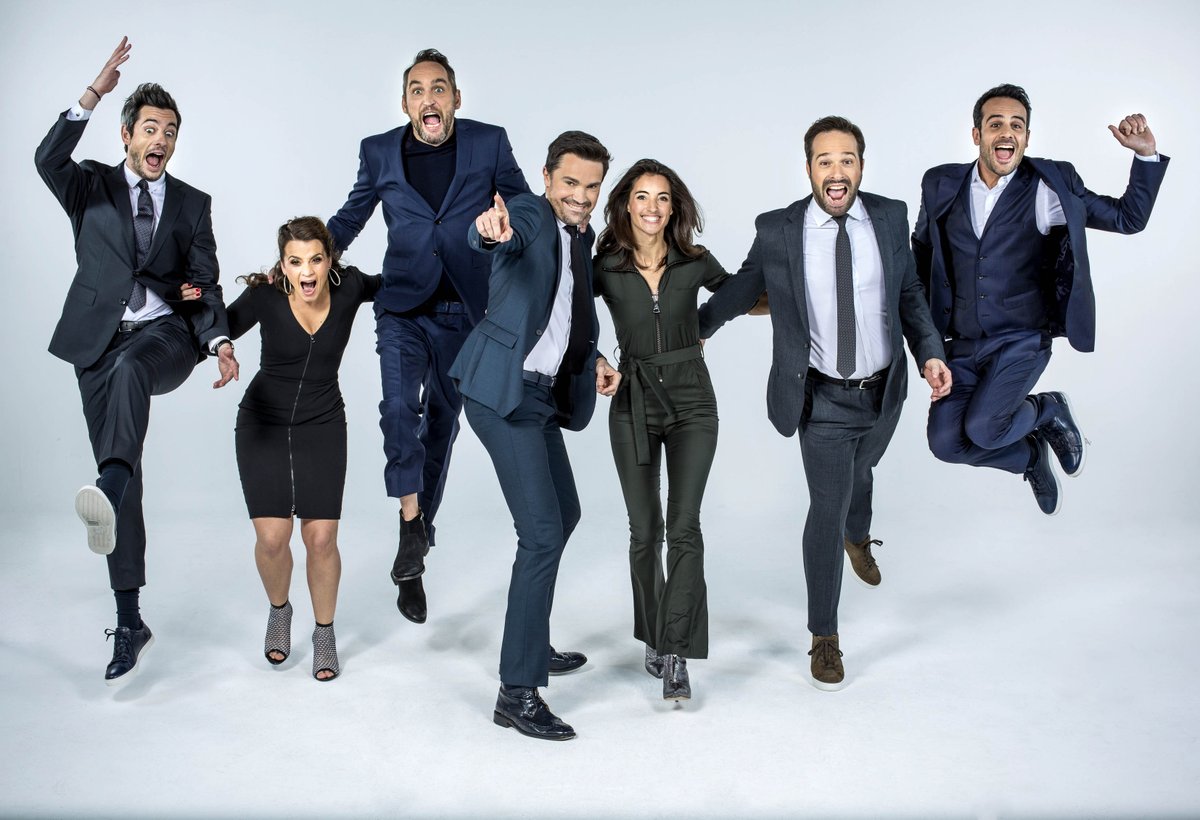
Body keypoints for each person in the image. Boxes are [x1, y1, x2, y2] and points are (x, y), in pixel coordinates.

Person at [699, 116, 951, 691]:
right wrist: (699, 327)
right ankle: (824, 636)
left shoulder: (889, 217)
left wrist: (930, 353)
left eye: (847, 160)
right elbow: (743, 287)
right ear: (809, 167)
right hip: (823, 401)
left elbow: (910, 293)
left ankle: (857, 537)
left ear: (861, 165)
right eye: (825, 160)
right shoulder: (779, 229)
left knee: (863, 472)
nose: (837, 172)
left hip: (885, 390)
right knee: (827, 506)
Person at [35, 38, 239, 686]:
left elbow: (204, 283)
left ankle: (112, 482)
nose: (161, 140)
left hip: (163, 337)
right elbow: (46, 157)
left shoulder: (192, 204)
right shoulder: (89, 187)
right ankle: (130, 623)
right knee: (118, 479)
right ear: (126, 134)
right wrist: (92, 92)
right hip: (95, 343)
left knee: (115, 460)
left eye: (170, 132)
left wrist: (219, 340)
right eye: (151, 128)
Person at [327, 49, 531, 624]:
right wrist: (309, 256)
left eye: (439, 88)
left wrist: (510, 224)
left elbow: (523, 204)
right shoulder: (378, 152)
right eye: (417, 90)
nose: (429, 98)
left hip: (466, 314)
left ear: (456, 98)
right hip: (402, 307)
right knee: (398, 409)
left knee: (441, 428)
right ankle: (412, 519)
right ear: (405, 103)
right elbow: (350, 218)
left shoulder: (489, 143)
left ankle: (412, 551)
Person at [912, 84, 1169, 515]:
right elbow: (920, 258)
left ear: (1027, 138)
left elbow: (1128, 218)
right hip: (962, 344)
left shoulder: (1050, 186)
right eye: (995, 124)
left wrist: (1145, 156)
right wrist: (929, 348)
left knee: (985, 428)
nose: (1007, 132)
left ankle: (1048, 408)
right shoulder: (940, 183)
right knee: (946, 443)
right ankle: (1030, 457)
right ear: (976, 134)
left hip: (1022, 339)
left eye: (1017, 125)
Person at [450, 131, 621, 740]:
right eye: (570, 182)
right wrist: (490, 231)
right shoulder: (528, 212)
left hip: (540, 395)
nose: (581, 196)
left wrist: (595, 357)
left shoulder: (582, 236)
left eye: (591, 186)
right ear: (547, 179)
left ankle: (530, 638)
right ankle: (516, 692)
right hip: (501, 391)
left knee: (564, 515)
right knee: (542, 533)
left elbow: (565, 312)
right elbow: (499, 232)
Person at [592, 159, 754, 701]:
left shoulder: (694, 260)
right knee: (645, 530)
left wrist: (786, 290)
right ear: (626, 204)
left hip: (692, 403)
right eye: (642, 197)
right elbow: (567, 317)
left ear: (674, 206)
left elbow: (740, 296)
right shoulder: (606, 266)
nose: (652, 208)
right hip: (632, 401)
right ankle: (652, 634)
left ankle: (676, 650)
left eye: (662, 198)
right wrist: (595, 359)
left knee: (685, 527)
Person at [202, 217, 381, 681]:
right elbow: (218, 327)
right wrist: (220, 348)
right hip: (262, 421)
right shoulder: (265, 296)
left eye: (316, 260)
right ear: (282, 265)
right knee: (272, 539)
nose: (307, 271)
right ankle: (279, 611)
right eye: (296, 261)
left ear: (329, 260)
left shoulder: (349, 287)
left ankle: (324, 633)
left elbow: (399, 283)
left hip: (323, 423)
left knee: (320, 539)